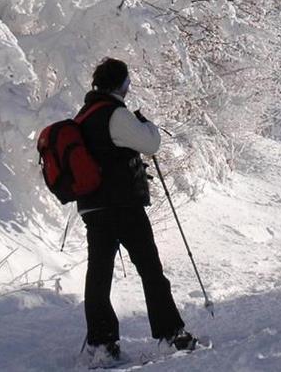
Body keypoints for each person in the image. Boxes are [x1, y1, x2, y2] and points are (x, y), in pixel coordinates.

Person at [76, 57, 199, 364]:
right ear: (121, 84)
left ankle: (102, 345)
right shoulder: (115, 113)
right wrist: (146, 123)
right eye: (127, 82)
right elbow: (150, 143)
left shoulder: (83, 115)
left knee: (99, 275)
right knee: (151, 270)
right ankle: (172, 334)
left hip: (92, 207)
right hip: (123, 206)